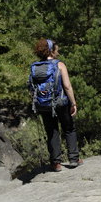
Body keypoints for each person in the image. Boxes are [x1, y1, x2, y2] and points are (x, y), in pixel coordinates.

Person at [30, 38, 80, 171]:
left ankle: (56, 163)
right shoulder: (60, 65)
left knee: (51, 131)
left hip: (44, 103)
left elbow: (32, 87)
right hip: (61, 102)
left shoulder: (36, 67)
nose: (58, 52)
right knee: (69, 128)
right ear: (51, 51)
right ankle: (73, 159)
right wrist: (73, 103)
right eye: (56, 50)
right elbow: (67, 86)